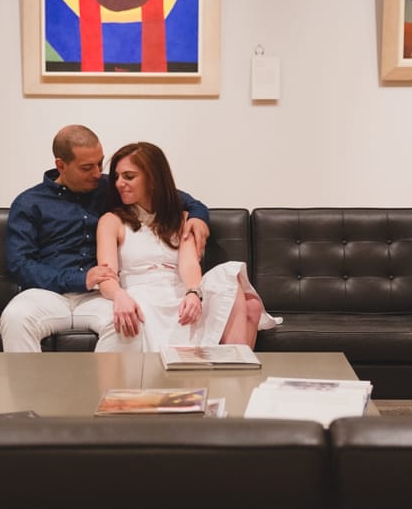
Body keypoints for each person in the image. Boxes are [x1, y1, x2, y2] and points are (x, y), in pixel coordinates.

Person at [0, 125, 211, 352]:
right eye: (87, 167)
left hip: (99, 295)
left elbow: (178, 199)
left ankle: (107, 388)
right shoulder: (29, 203)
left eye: (99, 163)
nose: (97, 173)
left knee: (129, 320)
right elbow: (19, 264)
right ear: (61, 165)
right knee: (16, 317)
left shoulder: (109, 187)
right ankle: (29, 389)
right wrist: (80, 279)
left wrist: (199, 218)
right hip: (48, 294)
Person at [94, 141, 277, 352]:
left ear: (152, 178)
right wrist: (119, 295)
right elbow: (106, 275)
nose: (118, 183)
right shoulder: (111, 221)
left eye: (129, 176)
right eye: (116, 176)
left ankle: (233, 362)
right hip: (141, 296)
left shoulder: (183, 218)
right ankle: (234, 368)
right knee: (250, 309)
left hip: (179, 291)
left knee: (229, 274)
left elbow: (189, 263)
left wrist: (193, 293)